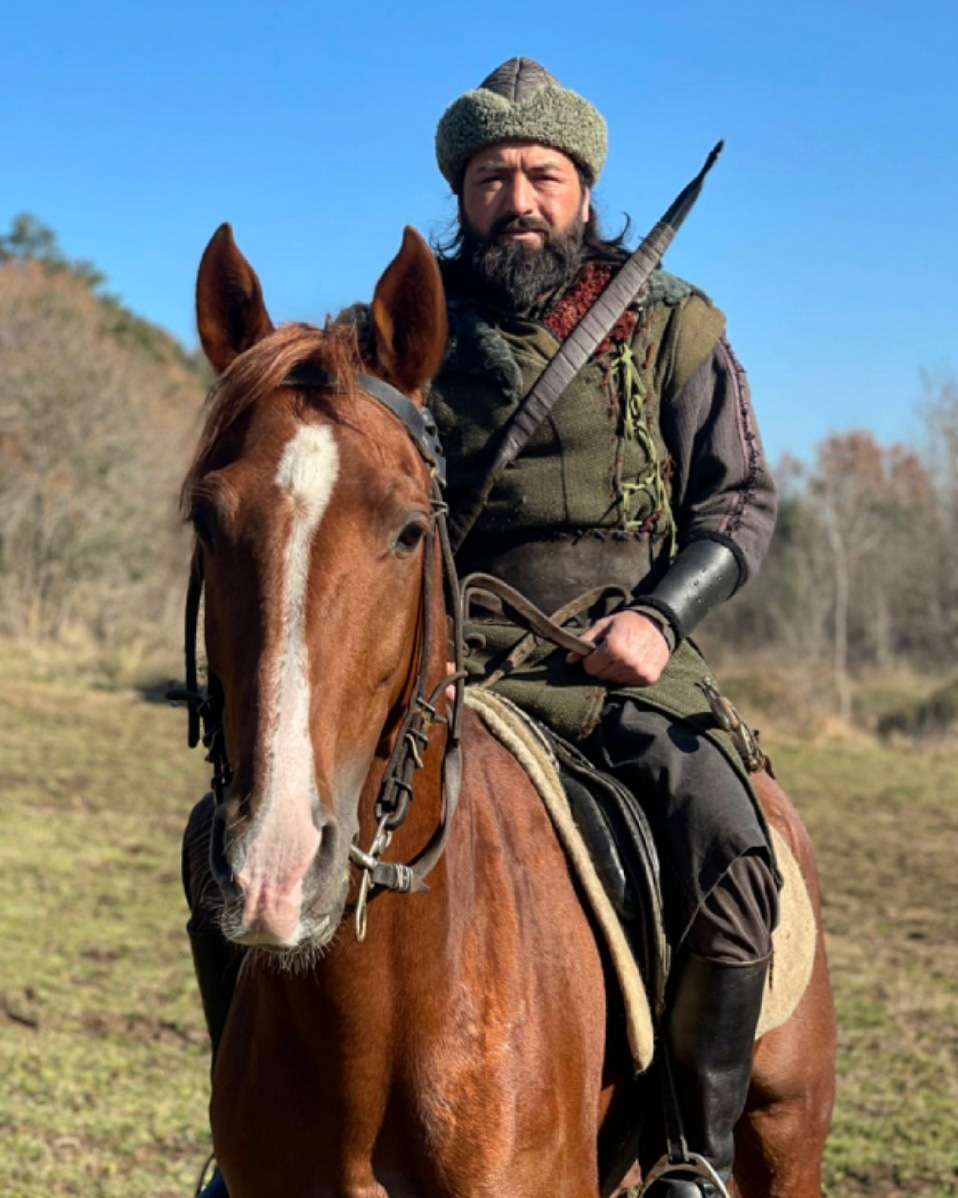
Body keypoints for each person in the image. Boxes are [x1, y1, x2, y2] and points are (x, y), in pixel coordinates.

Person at [184, 56, 780, 1198]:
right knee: (215, 835)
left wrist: (662, 617)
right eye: (492, 176)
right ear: (459, 195)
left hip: (621, 659)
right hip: (450, 650)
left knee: (727, 845)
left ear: (584, 188)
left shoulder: (674, 325)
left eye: (541, 174)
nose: (518, 197)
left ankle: (692, 1158)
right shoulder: (398, 335)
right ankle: (248, 1128)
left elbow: (739, 499)